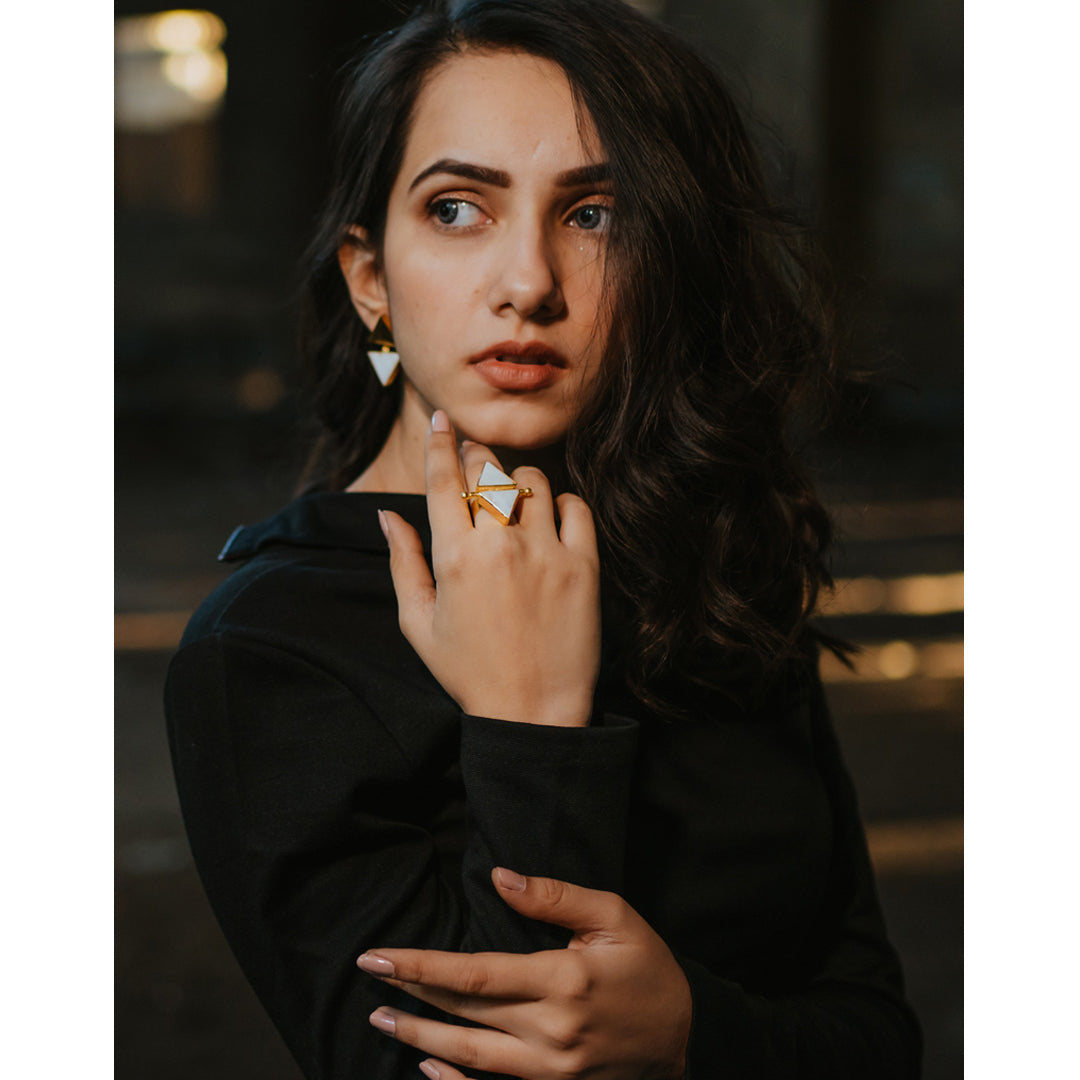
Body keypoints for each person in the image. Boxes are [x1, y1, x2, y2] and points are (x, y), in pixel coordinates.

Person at [165, 1, 922, 1078]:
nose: (527, 284)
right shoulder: (272, 646)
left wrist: (688, 1035)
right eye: (458, 209)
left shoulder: (713, 563)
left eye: (595, 216)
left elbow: (881, 1037)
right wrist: (529, 727)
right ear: (371, 280)